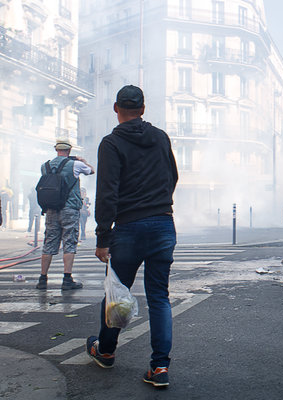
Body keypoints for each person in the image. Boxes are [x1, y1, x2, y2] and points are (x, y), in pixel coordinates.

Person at [86, 85, 178, 388]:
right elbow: (173, 176)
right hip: (163, 225)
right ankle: (159, 367)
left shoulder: (111, 143)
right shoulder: (161, 138)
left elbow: (107, 192)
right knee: (159, 297)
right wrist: (159, 203)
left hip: (128, 228)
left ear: (116, 108)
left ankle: (107, 350)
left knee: (116, 292)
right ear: (143, 108)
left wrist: (102, 237)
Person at [36, 139, 94, 290]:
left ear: (56, 150)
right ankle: (67, 279)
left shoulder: (45, 166)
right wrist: (83, 160)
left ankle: (42, 279)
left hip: (51, 209)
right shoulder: (75, 164)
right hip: (69, 209)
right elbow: (91, 171)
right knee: (69, 242)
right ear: (69, 151)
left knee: (48, 243)